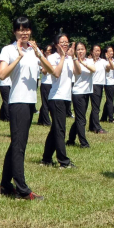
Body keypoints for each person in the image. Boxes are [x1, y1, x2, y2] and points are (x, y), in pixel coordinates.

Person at [0, 16, 48, 200]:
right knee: (19, 146)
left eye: (26, 29)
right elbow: (2, 74)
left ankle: (5, 184)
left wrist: (38, 53)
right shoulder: (8, 50)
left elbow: (47, 70)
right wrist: (18, 55)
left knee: (16, 144)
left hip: (29, 102)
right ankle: (22, 190)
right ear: (14, 32)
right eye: (20, 29)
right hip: (17, 101)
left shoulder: (33, 50)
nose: (23, 32)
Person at [42, 34, 76, 168]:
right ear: (56, 45)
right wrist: (62, 57)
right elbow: (56, 73)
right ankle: (63, 161)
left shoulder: (69, 58)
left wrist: (72, 57)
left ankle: (46, 159)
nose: (65, 44)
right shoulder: (52, 57)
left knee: (55, 129)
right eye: (62, 42)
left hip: (66, 97)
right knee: (60, 130)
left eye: (67, 42)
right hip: (56, 97)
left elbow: (77, 72)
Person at [67, 40, 94, 148]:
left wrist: (83, 62)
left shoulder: (89, 61)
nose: (80, 51)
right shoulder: (72, 61)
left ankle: (71, 139)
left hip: (87, 92)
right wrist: (76, 60)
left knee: (79, 117)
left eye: (82, 49)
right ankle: (83, 143)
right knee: (81, 119)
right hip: (78, 92)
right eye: (78, 49)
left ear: (86, 50)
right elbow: (76, 72)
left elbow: (93, 69)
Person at [88, 44, 108, 134]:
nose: (97, 52)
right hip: (91, 85)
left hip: (99, 85)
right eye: (95, 50)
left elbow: (109, 68)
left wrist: (109, 59)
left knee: (96, 107)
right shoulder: (88, 61)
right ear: (91, 52)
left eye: (99, 51)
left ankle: (92, 126)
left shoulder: (103, 61)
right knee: (95, 108)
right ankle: (96, 127)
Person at [101, 46, 114, 123]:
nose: (112, 52)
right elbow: (112, 67)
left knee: (109, 100)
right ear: (106, 53)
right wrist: (108, 59)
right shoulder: (105, 62)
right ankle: (111, 118)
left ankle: (104, 117)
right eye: (110, 51)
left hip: (113, 82)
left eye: (112, 51)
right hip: (108, 83)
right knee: (110, 101)